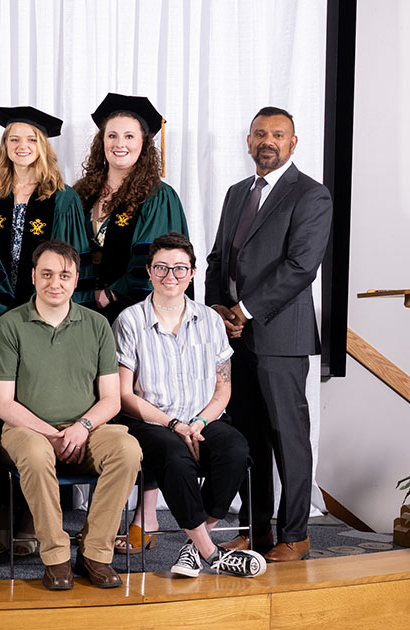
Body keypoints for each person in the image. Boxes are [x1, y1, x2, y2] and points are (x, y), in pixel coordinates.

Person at [205, 107, 333, 563]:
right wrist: (218, 311)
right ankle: (256, 531)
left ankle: (295, 534)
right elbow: (218, 258)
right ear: (248, 141)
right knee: (248, 439)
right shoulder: (237, 192)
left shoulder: (311, 195)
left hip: (281, 337)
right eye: (260, 133)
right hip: (234, 336)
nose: (268, 141)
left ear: (293, 143)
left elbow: (301, 267)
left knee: (287, 437)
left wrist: (245, 310)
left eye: (278, 135)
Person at [113, 233, 266, 578]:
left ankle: (195, 546)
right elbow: (124, 395)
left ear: (193, 273)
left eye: (180, 268)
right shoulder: (129, 321)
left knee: (235, 450)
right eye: (162, 268)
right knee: (175, 456)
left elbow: (223, 388)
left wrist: (198, 423)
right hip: (151, 423)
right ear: (149, 271)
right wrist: (174, 425)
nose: (171, 276)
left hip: (203, 419)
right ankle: (213, 553)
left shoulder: (210, 320)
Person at [0, 240, 140, 590]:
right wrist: (52, 434)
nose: (54, 283)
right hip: (26, 431)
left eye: (64, 275)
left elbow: (111, 399)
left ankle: (95, 553)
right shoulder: (9, 325)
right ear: (33, 276)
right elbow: (3, 404)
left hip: (86, 430)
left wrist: (81, 427)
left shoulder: (97, 325)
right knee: (35, 452)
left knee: (127, 449)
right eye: (46, 274)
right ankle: (56, 557)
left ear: (75, 280)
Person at [0, 106, 88, 335]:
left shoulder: (63, 198)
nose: (22, 146)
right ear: (5, 145)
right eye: (14, 139)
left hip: (46, 309)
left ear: (43, 146)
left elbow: (73, 260)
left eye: (32, 139)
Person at [72, 93, 188, 323]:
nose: (119, 144)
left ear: (143, 143)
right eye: (112, 135)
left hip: (132, 313)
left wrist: (110, 293)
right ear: (102, 141)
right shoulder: (82, 193)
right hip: (80, 308)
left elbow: (159, 257)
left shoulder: (157, 197)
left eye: (129, 136)